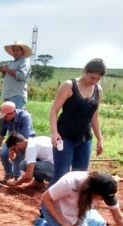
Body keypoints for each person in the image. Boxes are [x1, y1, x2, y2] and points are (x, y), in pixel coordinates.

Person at [48, 58, 106, 188]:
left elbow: (95, 117)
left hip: (85, 140)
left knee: (80, 178)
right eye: (92, 77)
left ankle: (71, 208)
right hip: (64, 138)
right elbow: (54, 110)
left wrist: (99, 139)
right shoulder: (69, 85)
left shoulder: (98, 90)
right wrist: (54, 132)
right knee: (61, 177)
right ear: (85, 71)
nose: (94, 81)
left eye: (97, 79)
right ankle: (46, 207)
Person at [0, 101, 35, 182]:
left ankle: (17, 176)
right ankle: (8, 174)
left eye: (4, 117)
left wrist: (12, 149)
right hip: (12, 139)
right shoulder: (3, 119)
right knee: (3, 154)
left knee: (19, 154)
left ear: (11, 113)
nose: (3, 118)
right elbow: (2, 133)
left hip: (26, 140)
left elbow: (24, 138)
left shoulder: (25, 116)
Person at [0, 40, 32, 109]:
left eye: (17, 50)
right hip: (9, 94)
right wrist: (4, 72)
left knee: (15, 117)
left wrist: (7, 69)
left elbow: (21, 76)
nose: (15, 52)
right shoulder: (15, 62)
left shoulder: (25, 61)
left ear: (22, 51)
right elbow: (11, 76)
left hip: (16, 94)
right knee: (8, 117)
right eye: (13, 50)